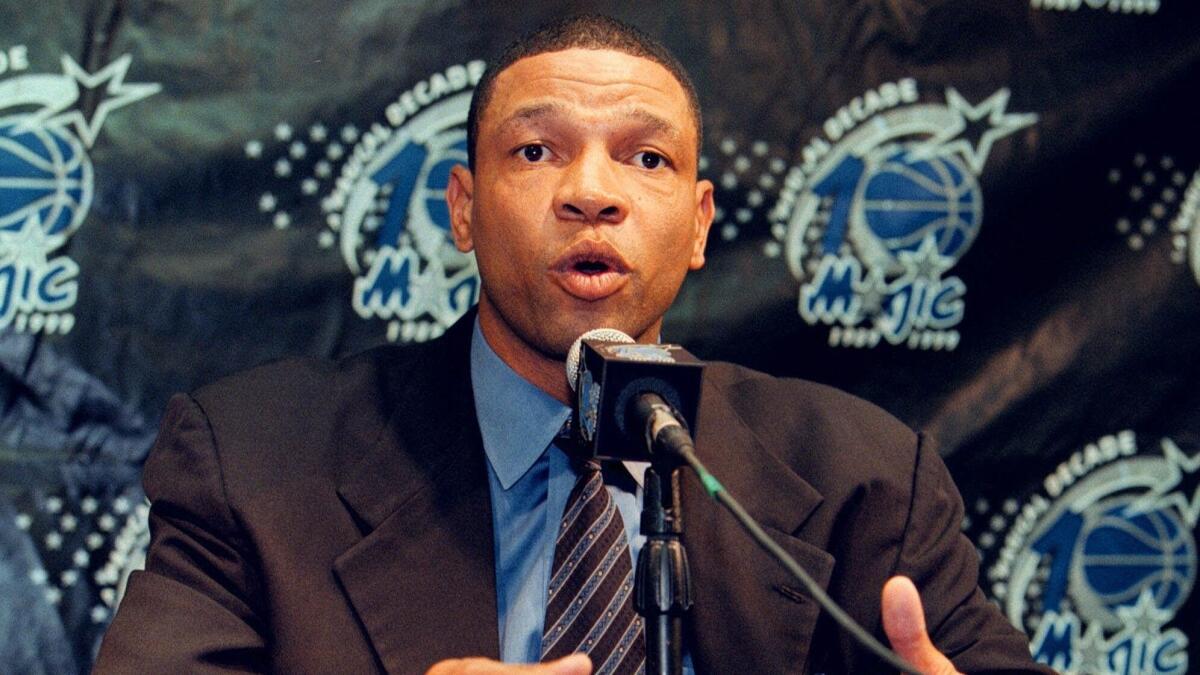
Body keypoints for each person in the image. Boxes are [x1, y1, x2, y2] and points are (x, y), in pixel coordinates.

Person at [95, 15, 1051, 675]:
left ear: (700, 222)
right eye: (537, 150)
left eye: (647, 158)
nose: (592, 193)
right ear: (464, 210)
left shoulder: (866, 481)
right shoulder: (254, 461)